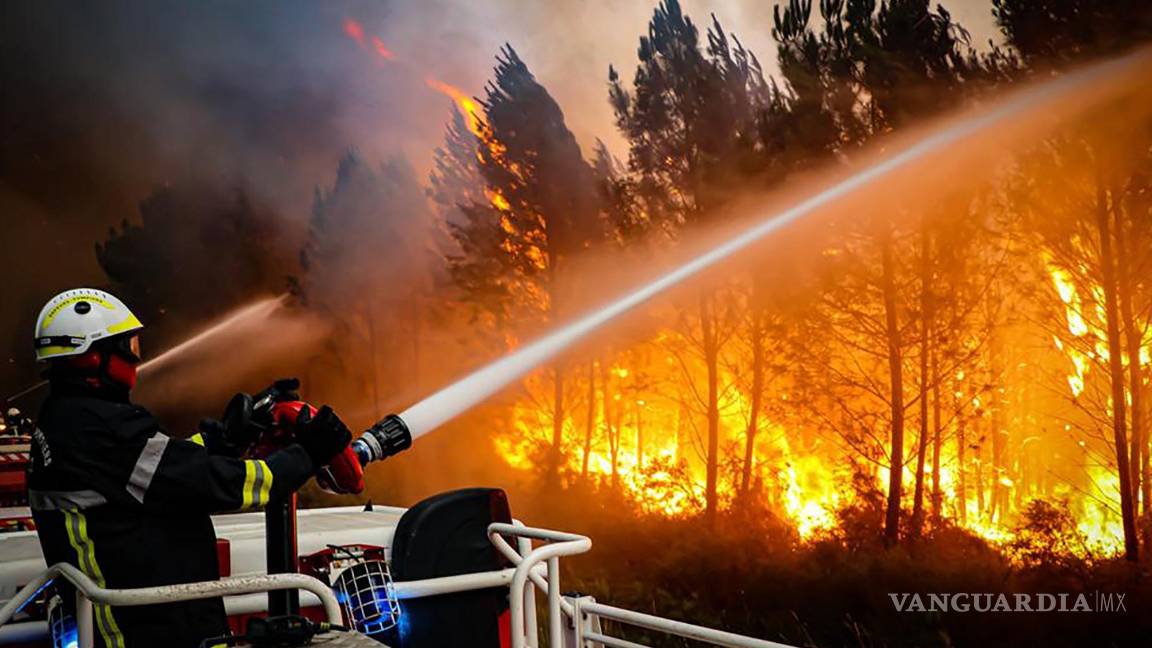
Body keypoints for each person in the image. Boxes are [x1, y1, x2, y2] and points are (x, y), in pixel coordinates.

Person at [27, 288, 352, 647]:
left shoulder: (67, 420)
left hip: (144, 621)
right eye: (127, 346)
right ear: (91, 358)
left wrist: (223, 440)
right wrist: (307, 453)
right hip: (146, 631)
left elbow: (161, 469)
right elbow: (222, 485)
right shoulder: (102, 429)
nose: (135, 359)